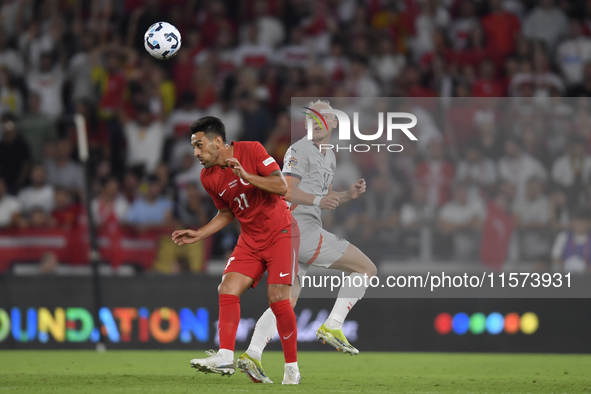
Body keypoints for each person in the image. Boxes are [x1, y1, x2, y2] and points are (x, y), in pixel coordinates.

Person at [240, 100, 376, 383]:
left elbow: (321, 197)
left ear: (334, 123)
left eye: (322, 116)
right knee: (366, 269)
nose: (315, 120)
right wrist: (318, 199)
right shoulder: (299, 150)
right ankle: (334, 324)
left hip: (299, 230)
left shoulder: (329, 155)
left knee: (285, 302)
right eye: (310, 117)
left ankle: (252, 354)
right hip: (297, 228)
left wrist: (348, 195)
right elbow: (287, 191)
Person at [171, 116, 301, 385]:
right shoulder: (208, 177)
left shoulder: (251, 150)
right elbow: (226, 212)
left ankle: (291, 368)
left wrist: (246, 176)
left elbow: (281, 187)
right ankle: (225, 356)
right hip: (250, 240)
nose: (196, 153)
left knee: (277, 297)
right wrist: (200, 232)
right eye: (193, 147)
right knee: (226, 288)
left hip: (280, 233)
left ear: (217, 141)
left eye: (199, 145)